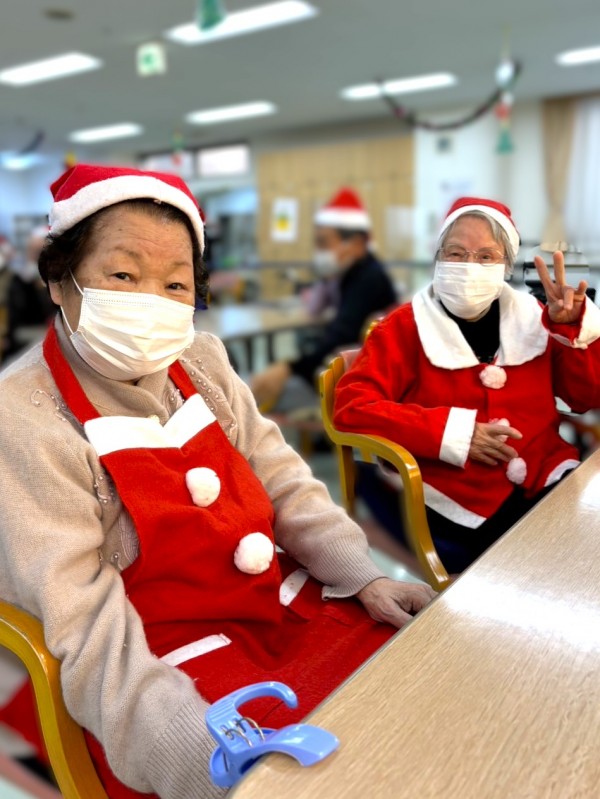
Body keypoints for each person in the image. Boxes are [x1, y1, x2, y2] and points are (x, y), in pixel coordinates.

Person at [0, 165, 434, 799]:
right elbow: (86, 626)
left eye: (176, 283)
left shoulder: (200, 360)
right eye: (123, 275)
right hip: (159, 670)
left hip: (278, 609)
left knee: (418, 691)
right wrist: (193, 751)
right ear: (60, 281)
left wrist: (361, 574)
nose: (151, 301)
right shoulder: (23, 415)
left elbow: (282, 476)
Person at [334, 197, 600, 575]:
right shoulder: (401, 328)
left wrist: (571, 332)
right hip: (449, 495)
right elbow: (351, 409)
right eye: (456, 253)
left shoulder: (538, 317)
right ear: (438, 258)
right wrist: (452, 433)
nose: (469, 266)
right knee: (534, 567)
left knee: (582, 557)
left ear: (507, 266)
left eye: (487, 256)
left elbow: (584, 397)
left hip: (547, 475)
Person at [251, 188, 396, 411]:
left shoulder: (368, 279)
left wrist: (288, 368)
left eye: (324, 244)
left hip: (364, 383)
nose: (319, 252)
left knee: (267, 396)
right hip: (353, 370)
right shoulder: (355, 274)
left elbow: (340, 338)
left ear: (357, 244)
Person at [4, 226, 56, 358]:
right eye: (31, 251)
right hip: (25, 335)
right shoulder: (20, 280)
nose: (34, 258)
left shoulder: (60, 281)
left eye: (39, 252)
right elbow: (16, 316)